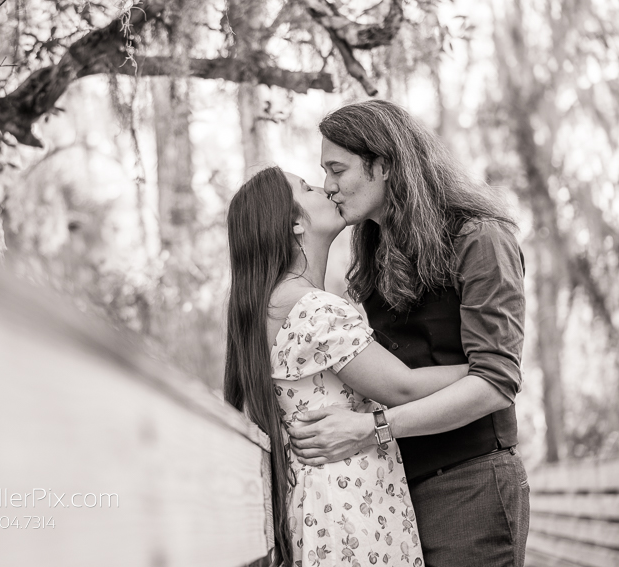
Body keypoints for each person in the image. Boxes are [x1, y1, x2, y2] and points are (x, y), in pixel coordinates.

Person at [287, 100, 529, 567]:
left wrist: (370, 430)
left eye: (338, 169)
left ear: (384, 164)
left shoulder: (480, 239)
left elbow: (495, 383)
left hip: (469, 482)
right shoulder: (376, 251)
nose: (328, 186)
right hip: (396, 490)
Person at [224, 166, 471, 567]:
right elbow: (402, 387)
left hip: (319, 508)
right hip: (350, 510)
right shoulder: (312, 307)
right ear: (295, 223)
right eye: (306, 187)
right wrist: (485, 369)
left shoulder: (271, 304)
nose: (324, 188)